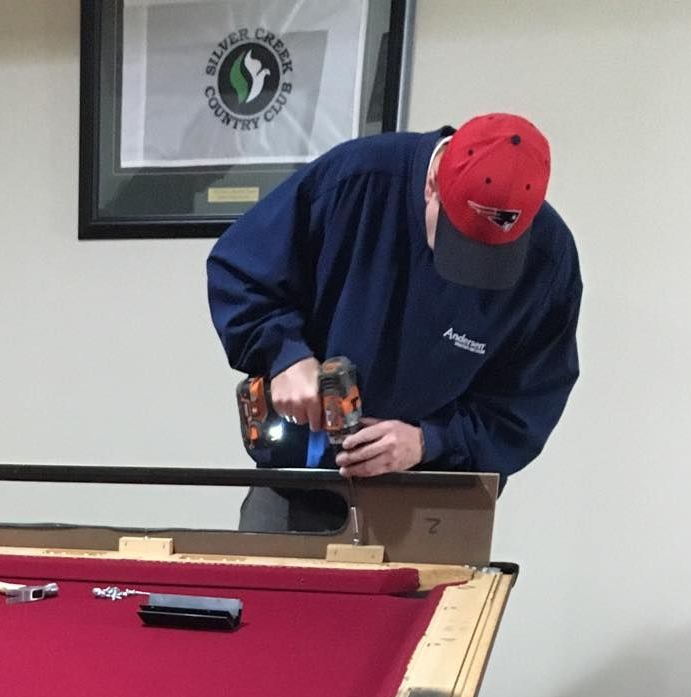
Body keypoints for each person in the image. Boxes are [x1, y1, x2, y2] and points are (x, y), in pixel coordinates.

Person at [207, 114, 581, 530]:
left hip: (433, 499)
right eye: (460, 241)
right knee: (272, 594)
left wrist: (430, 441)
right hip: (297, 486)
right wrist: (285, 355)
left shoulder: (549, 263)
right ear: (431, 186)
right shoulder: (357, 180)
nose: (470, 269)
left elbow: (526, 404)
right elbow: (240, 271)